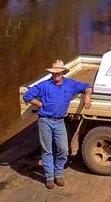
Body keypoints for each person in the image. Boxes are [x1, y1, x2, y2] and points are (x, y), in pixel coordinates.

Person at [23, 60, 93, 189]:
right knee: (47, 150)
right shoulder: (44, 85)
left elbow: (88, 86)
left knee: (64, 149)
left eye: (58, 73)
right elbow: (27, 96)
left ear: (63, 72)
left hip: (60, 121)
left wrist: (87, 96)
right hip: (45, 121)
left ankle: (58, 173)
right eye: (54, 73)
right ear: (51, 73)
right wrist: (39, 104)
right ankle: (49, 177)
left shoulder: (70, 84)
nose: (56, 75)